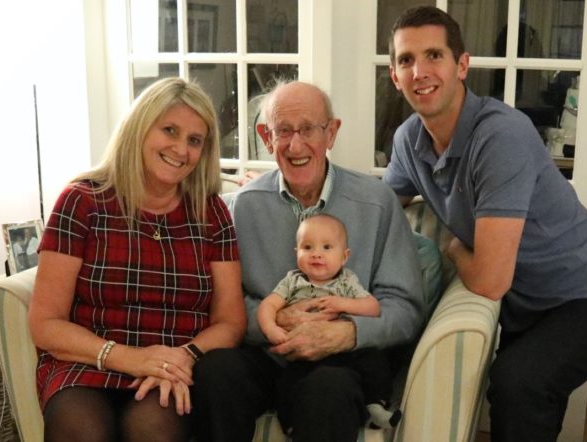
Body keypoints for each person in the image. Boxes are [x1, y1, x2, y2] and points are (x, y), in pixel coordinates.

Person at [383, 6, 587, 441]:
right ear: (395, 76)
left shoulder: (500, 135)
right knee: (517, 391)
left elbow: (491, 280)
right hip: (527, 304)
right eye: (405, 60)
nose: (420, 70)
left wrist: (455, 247)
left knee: (519, 384)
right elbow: (377, 206)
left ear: (462, 65)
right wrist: (292, 186)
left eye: (434, 55)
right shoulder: (408, 141)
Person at [192, 80, 425, 442]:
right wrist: (272, 319)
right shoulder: (239, 209)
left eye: (308, 129)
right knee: (215, 371)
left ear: (331, 133)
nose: (295, 144)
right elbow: (222, 303)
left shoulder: (378, 203)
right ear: (266, 138)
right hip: (266, 354)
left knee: (328, 391)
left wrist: (347, 333)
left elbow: (405, 308)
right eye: (283, 131)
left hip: (341, 361)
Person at [28, 77, 246, 442]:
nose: (181, 149)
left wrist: (184, 356)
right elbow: (46, 323)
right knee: (83, 431)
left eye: (194, 140)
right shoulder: (82, 202)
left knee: (152, 430)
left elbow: (230, 321)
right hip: (88, 360)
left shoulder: (211, 213)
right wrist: (128, 357)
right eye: (170, 130)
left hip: (171, 365)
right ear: (140, 128)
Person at [258, 213, 402, 432]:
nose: (316, 254)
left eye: (327, 247)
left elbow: (372, 307)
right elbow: (267, 306)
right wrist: (271, 329)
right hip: (302, 353)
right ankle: (290, 420)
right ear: (297, 252)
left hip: (343, 352)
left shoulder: (347, 281)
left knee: (374, 360)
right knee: (288, 379)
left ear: (344, 257)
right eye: (308, 247)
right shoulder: (292, 281)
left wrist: (342, 304)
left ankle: (376, 404)